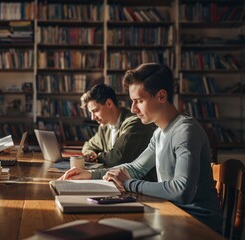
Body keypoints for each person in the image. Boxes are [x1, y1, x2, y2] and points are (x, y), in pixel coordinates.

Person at [59, 63, 222, 232]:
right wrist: (90, 174)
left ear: (161, 96)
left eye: (139, 101)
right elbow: (136, 167)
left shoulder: (185, 131)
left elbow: (181, 191)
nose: (133, 109)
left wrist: (129, 184)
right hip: (171, 211)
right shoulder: (159, 133)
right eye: (132, 101)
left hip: (198, 222)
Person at [80, 84, 156, 176]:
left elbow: (118, 158)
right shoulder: (104, 127)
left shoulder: (135, 123)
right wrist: (89, 153)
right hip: (115, 179)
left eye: (95, 111)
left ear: (109, 103)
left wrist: (98, 156)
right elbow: (88, 145)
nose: (92, 118)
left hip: (138, 182)